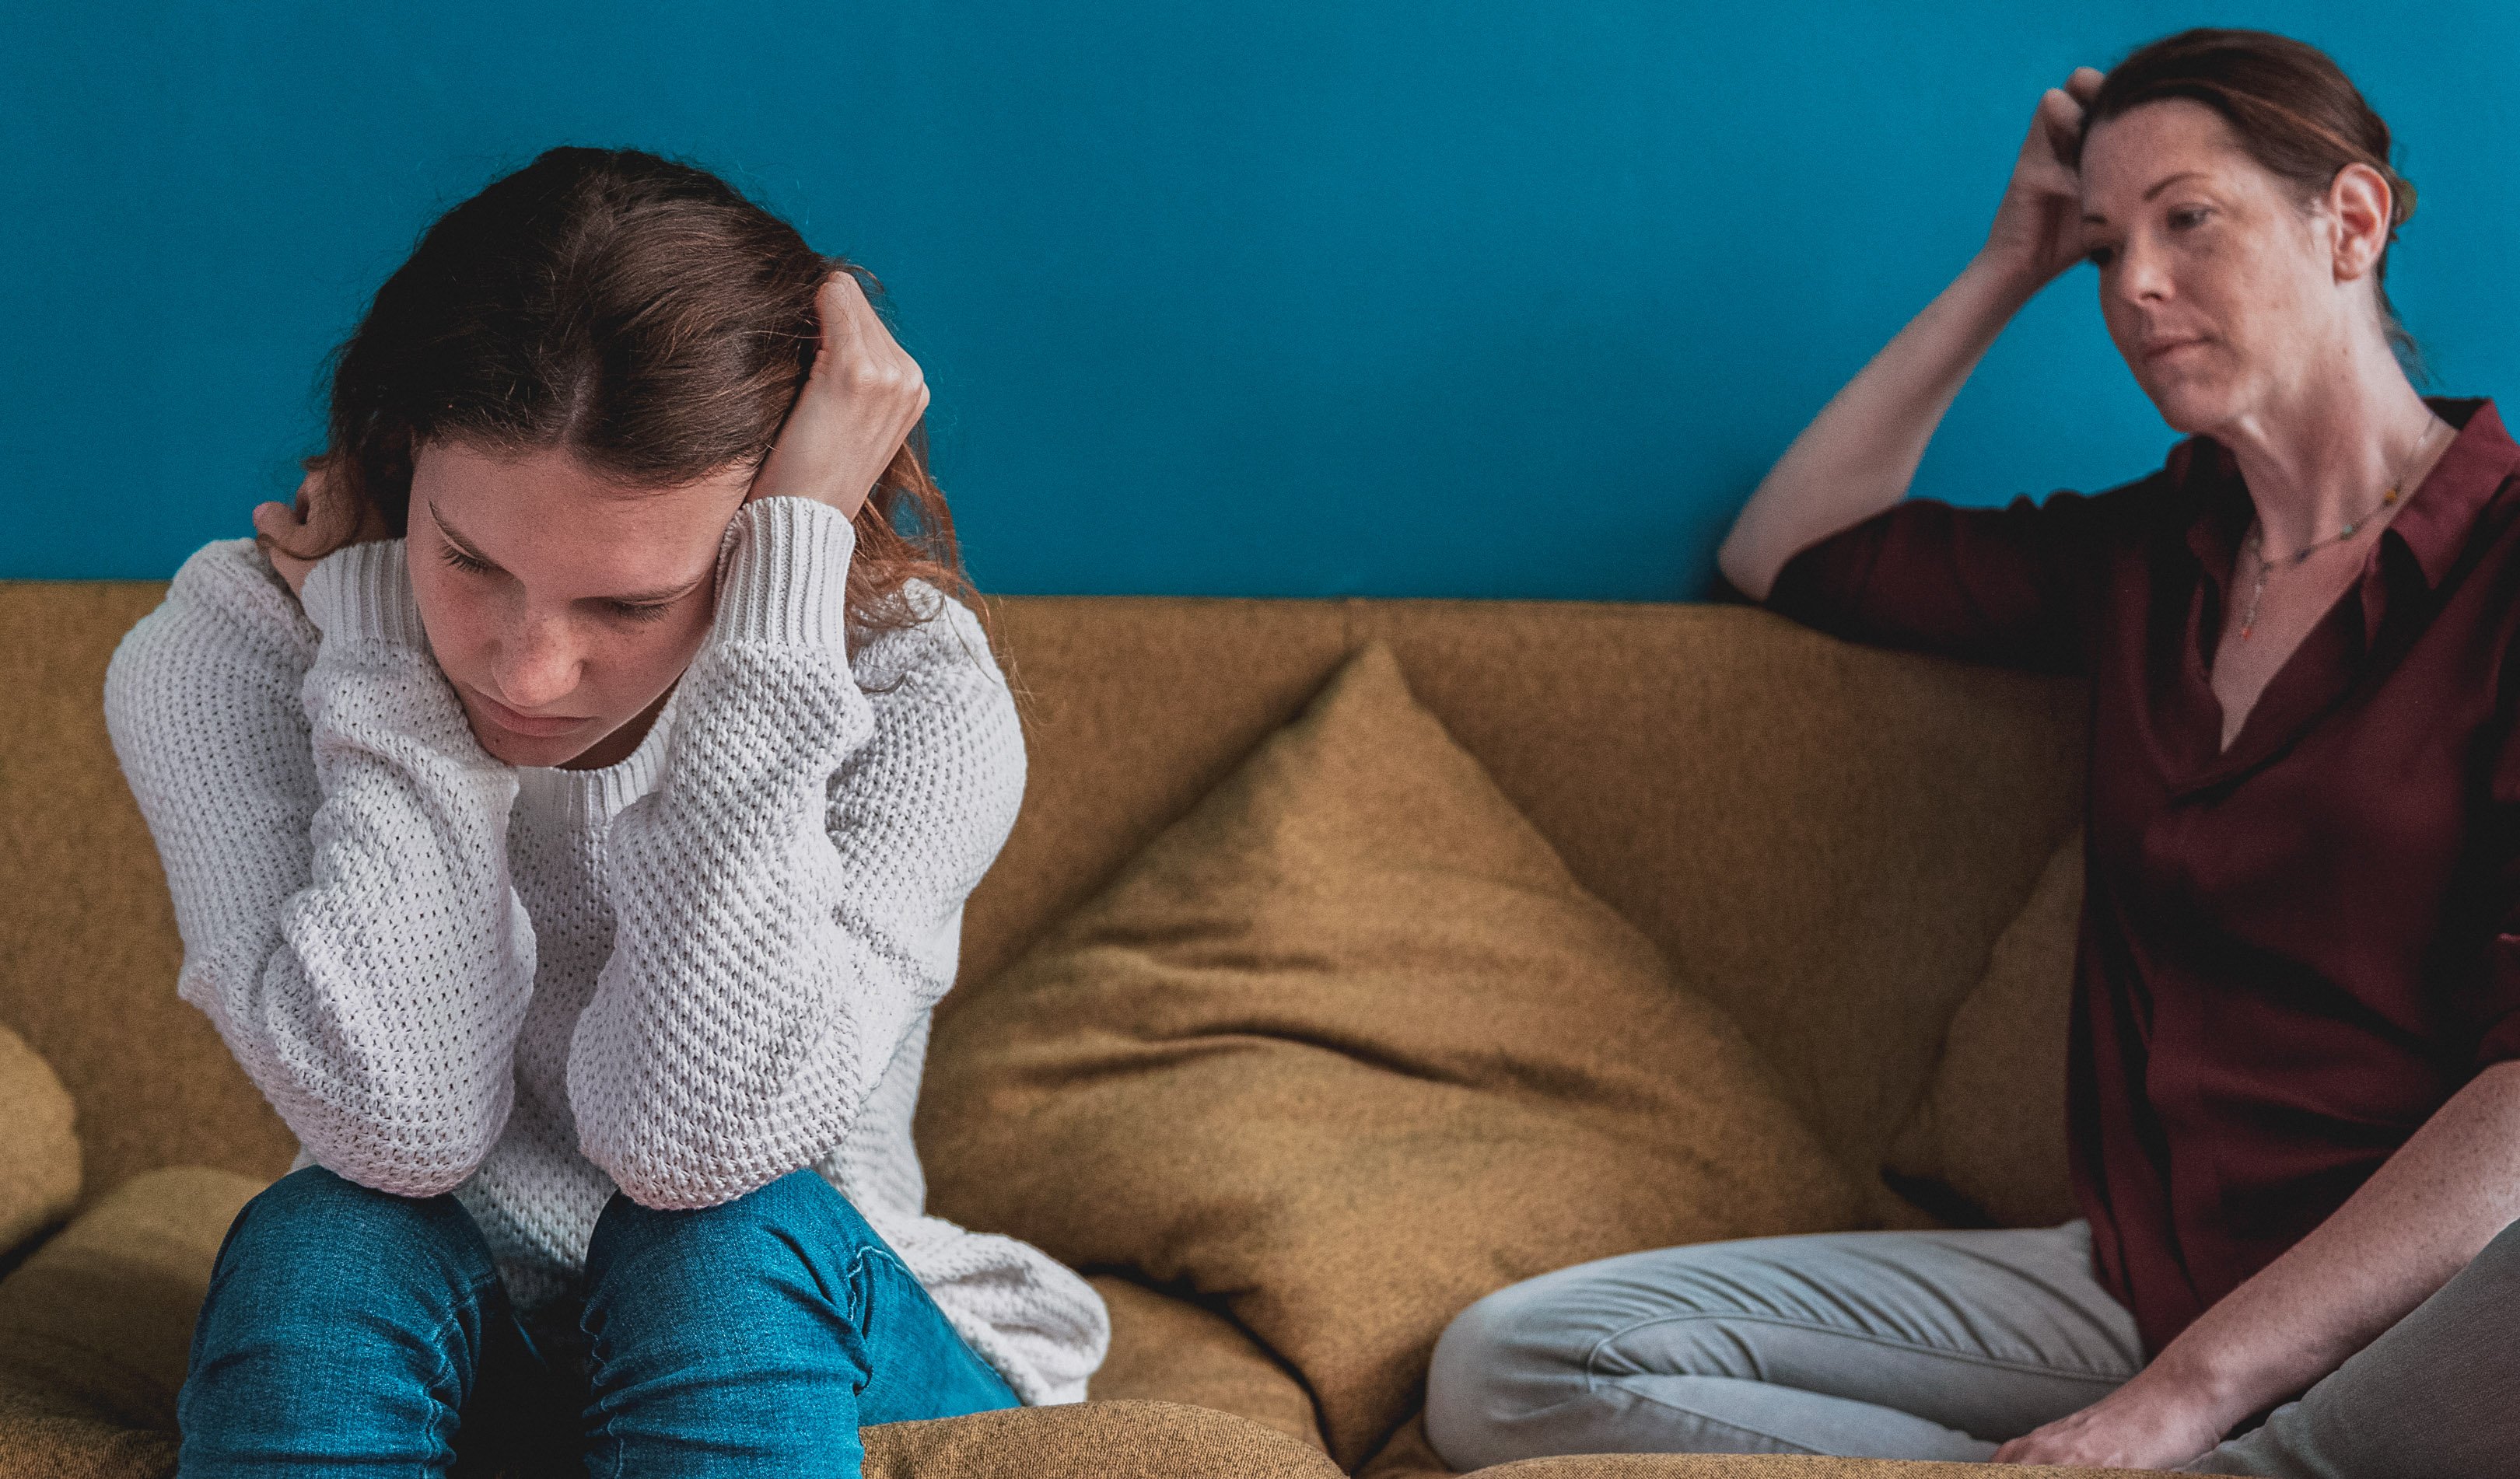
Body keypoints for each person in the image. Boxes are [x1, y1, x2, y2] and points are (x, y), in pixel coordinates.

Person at [1423, 28, 2517, 1477]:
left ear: (2353, 222)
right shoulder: (2147, 560)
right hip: (2134, 1282)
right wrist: (2011, 262)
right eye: (2103, 247)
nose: (2133, 285)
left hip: (2423, 1313)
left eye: (2188, 218)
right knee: (1511, 1366)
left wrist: (2184, 1400)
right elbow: (1789, 548)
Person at [103, 147, 1107, 1476]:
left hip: (790, 1319)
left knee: (712, 1250)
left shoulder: (909, 688)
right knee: (325, 1235)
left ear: (772, 530)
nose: (527, 673)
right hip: (451, 1330)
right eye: (469, 559)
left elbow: (693, 1147)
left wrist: (776, 624)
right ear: (402, 457)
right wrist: (384, 657)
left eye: (631, 602)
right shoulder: (240, 647)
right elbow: (399, 1123)